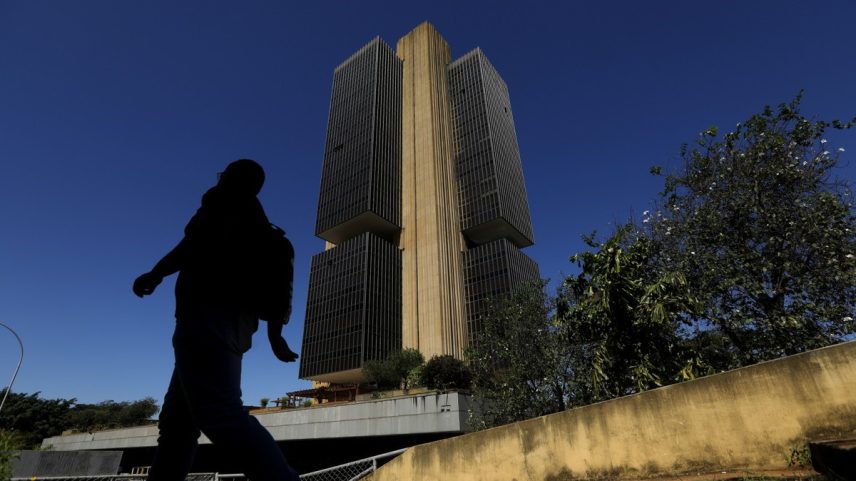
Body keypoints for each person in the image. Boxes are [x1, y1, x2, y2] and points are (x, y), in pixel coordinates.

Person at [133, 159, 300, 481]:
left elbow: (191, 247)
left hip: (207, 318)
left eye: (226, 175)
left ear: (233, 178)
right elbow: (280, 288)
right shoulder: (264, 229)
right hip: (232, 326)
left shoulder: (222, 203)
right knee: (178, 424)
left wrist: (157, 273)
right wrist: (274, 335)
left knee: (219, 414)